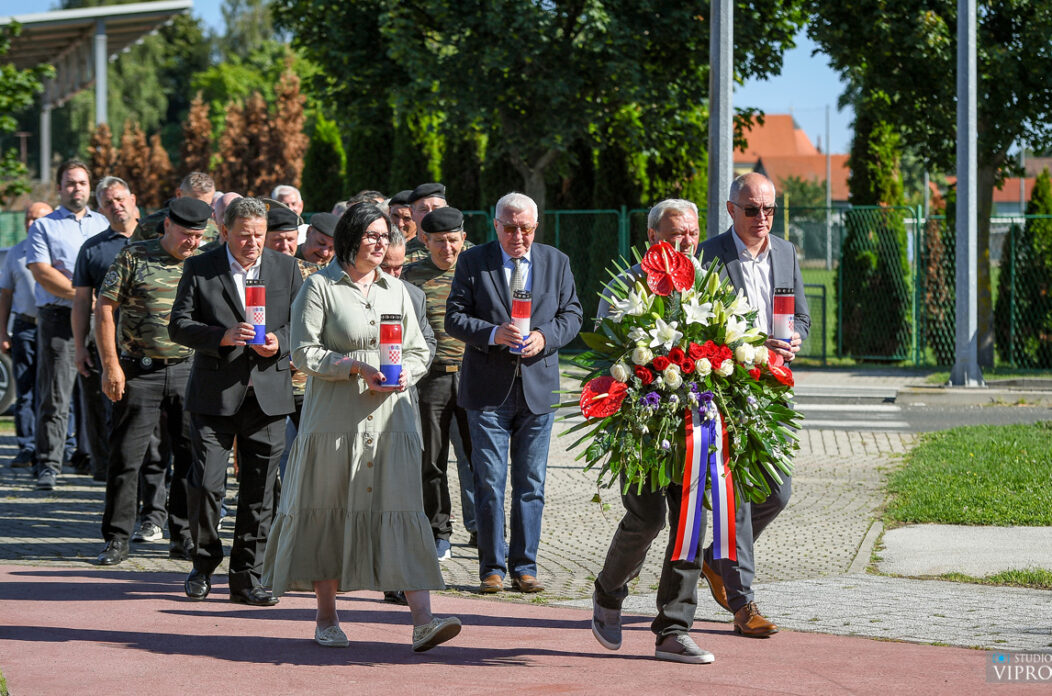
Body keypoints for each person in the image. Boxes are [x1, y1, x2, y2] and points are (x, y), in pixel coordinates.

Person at [262, 203, 461, 652]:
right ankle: (327, 618)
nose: (380, 243)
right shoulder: (319, 287)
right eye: (371, 235)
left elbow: (418, 348)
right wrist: (353, 366)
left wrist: (409, 370)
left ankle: (423, 621)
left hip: (393, 422)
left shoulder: (399, 290)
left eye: (384, 236)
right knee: (328, 514)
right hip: (334, 423)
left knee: (403, 511)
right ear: (350, 238)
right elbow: (302, 352)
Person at [590, 199, 716, 664]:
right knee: (647, 518)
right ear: (651, 237)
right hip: (642, 422)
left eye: (691, 233)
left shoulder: (709, 283)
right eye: (673, 234)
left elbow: (730, 341)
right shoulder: (626, 284)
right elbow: (608, 352)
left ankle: (673, 628)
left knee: (689, 524)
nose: (684, 242)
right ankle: (608, 592)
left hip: (695, 424)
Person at [446, 192, 583, 594]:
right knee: (489, 480)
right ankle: (491, 567)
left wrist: (544, 337)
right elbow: (454, 316)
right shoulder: (474, 261)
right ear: (496, 226)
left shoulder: (556, 261)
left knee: (531, 482)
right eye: (509, 228)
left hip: (538, 389)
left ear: (535, 226)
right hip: (488, 391)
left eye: (525, 228)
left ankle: (525, 566)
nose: (518, 235)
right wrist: (491, 333)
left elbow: (572, 313)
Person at [169, 197, 303, 606]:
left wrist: (281, 343)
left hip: (268, 396)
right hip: (215, 394)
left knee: (260, 491)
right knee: (207, 485)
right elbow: (178, 324)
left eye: (259, 236)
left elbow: (303, 323)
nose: (253, 244)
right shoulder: (201, 267)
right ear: (224, 231)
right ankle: (203, 563)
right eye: (244, 236)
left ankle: (248, 576)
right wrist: (220, 337)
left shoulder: (285, 267)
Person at [696, 172, 810, 638]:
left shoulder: (785, 251)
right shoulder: (708, 255)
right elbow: (697, 326)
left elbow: (800, 313)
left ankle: (717, 560)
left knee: (777, 492)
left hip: (771, 390)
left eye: (769, 210)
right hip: (725, 388)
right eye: (751, 210)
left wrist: (797, 335)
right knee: (736, 498)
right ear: (730, 210)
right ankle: (744, 604)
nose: (761, 218)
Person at [93, 198, 210, 566]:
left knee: (189, 457)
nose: (192, 242)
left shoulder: (206, 262)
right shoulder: (134, 255)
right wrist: (111, 365)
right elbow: (105, 307)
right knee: (127, 457)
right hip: (138, 371)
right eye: (186, 234)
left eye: (198, 235)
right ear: (167, 227)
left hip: (188, 370)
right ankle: (116, 538)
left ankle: (183, 536)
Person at [26, 159, 110, 490]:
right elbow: (43, 272)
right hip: (60, 318)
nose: (77, 188)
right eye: (70, 183)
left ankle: (99, 462)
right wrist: (82, 297)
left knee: (99, 393)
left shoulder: (103, 223)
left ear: (90, 188)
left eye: (82, 183)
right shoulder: (44, 226)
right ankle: (48, 463)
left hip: (98, 318)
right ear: (59, 188)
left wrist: (95, 302)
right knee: (56, 393)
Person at [404, 207, 476, 562]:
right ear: (424, 240)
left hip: (475, 376)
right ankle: (439, 532)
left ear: (463, 237)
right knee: (430, 461)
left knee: (481, 461)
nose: (447, 248)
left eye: (452, 240)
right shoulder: (411, 276)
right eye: (438, 242)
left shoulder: (477, 268)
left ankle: (486, 532)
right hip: (430, 378)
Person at [72, 176, 141, 483]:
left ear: (133, 199)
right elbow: (82, 301)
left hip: (153, 343)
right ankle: (108, 472)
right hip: (109, 343)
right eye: (108, 203)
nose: (116, 206)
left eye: (120, 199)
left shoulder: (158, 237)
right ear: (100, 209)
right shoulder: (92, 249)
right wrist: (78, 348)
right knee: (106, 410)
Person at [0, 202, 53, 468]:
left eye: (38, 219)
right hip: (25, 327)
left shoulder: (59, 247)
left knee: (56, 389)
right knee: (26, 389)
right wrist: (2, 332)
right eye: (28, 219)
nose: (31, 224)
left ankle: (62, 445)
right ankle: (27, 446)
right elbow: (5, 295)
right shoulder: (15, 253)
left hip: (56, 324)